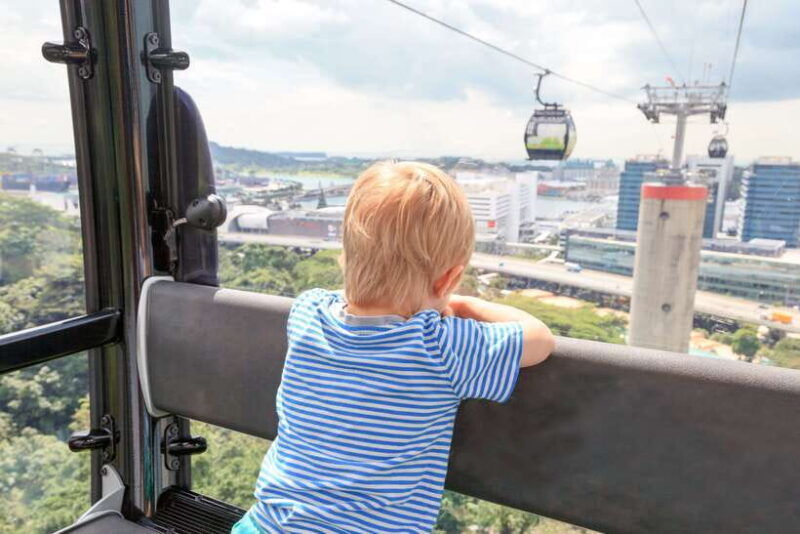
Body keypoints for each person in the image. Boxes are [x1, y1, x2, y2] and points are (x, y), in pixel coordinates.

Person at [233, 161, 554, 534]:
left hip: (264, 526)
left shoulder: (308, 313)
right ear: (449, 278)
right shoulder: (439, 346)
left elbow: (350, 299)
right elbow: (539, 339)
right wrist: (464, 304)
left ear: (345, 257)